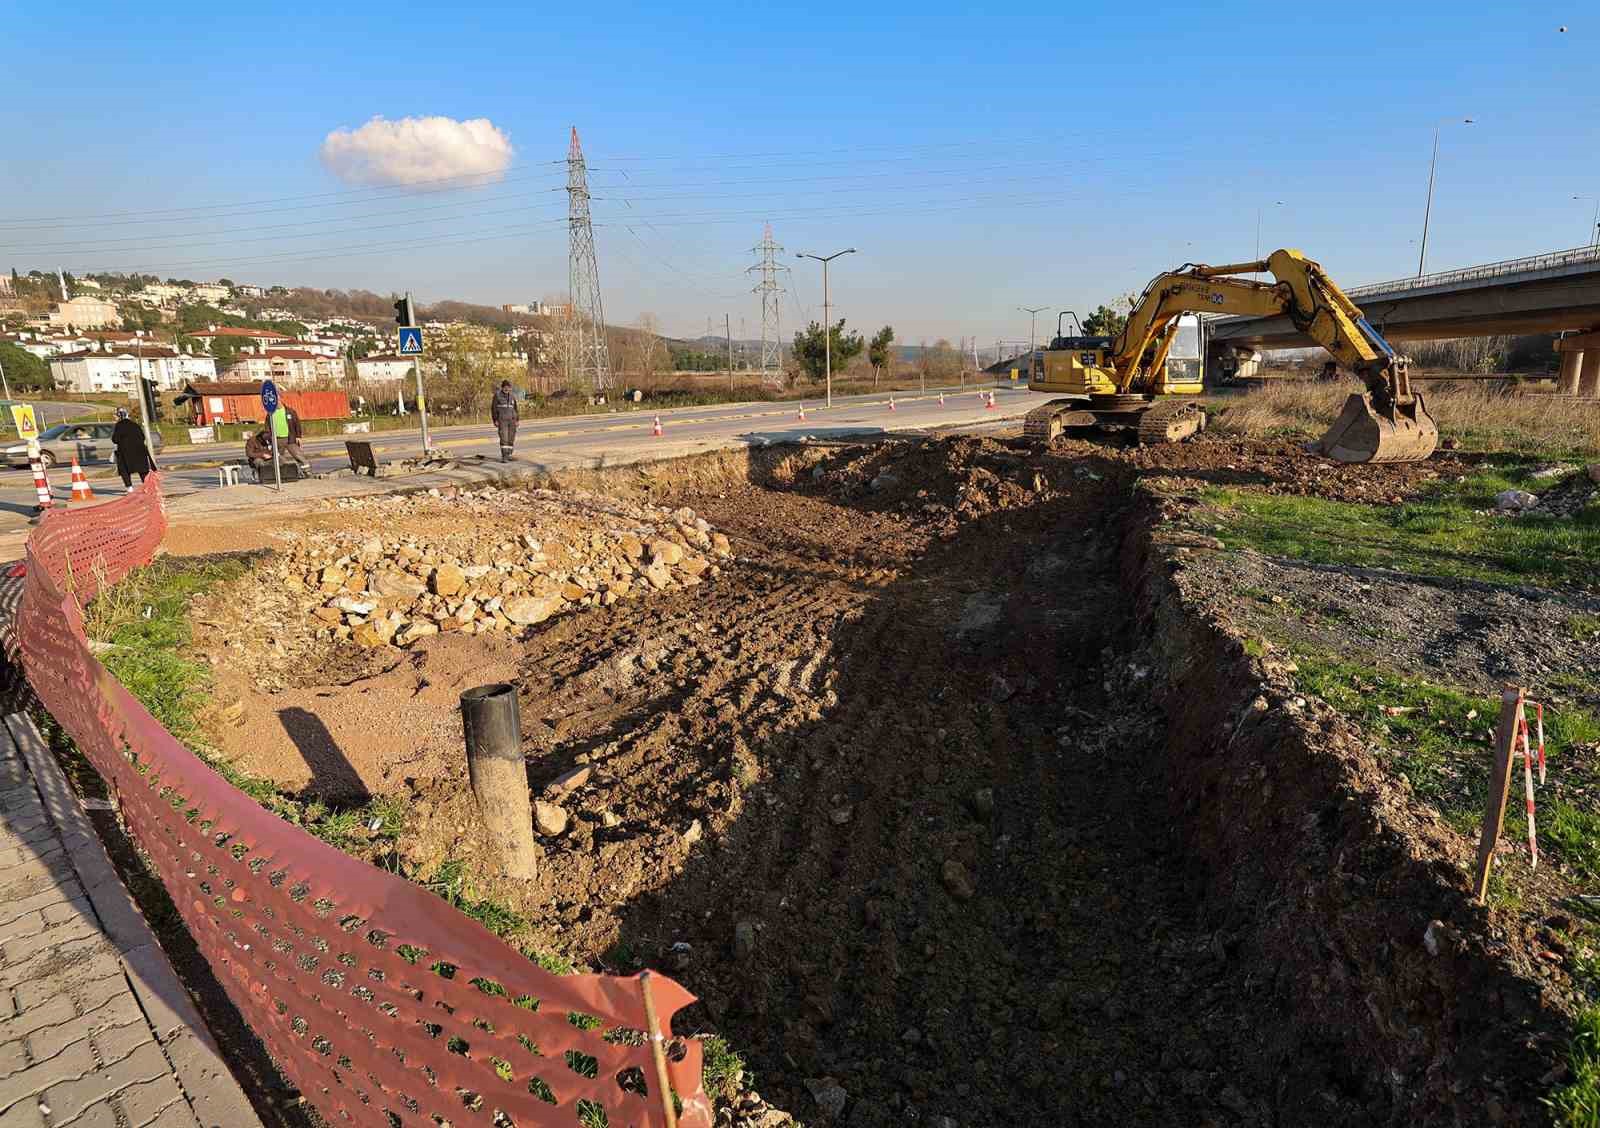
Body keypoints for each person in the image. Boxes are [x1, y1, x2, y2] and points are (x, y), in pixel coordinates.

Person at [111, 408, 156, 492]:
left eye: (115, 416)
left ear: (119, 415)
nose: (114, 418)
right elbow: (142, 437)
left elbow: (115, 439)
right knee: (142, 470)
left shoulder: (119, 425)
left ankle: (130, 488)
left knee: (124, 470)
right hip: (140, 451)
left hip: (125, 452)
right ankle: (147, 487)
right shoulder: (135, 424)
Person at [491, 380, 518, 462]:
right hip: (502, 421)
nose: (507, 389)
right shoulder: (497, 395)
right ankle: (504, 456)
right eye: (505, 387)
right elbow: (493, 409)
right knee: (504, 438)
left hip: (512, 421)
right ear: (502, 387)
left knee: (511, 438)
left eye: (508, 387)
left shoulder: (512, 396)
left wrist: (517, 420)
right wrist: (495, 419)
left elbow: (516, 409)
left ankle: (509, 455)